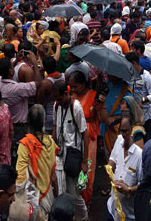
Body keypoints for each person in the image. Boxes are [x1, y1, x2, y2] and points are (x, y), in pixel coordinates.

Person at [52, 79, 89, 220]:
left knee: (74, 193)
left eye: (60, 98)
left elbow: (84, 133)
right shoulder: (56, 106)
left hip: (73, 156)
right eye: (56, 99)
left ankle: (83, 216)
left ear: (66, 93)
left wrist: (84, 161)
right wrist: (53, 147)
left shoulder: (76, 107)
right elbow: (55, 127)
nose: (58, 101)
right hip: (60, 155)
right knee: (60, 190)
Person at [15, 104, 57, 219]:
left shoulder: (25, 144)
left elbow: (20, 179)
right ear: (43, 121)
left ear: (28, 121)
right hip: (48, 197)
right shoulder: (50, 142)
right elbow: (53, 175)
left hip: (33, 201)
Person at [69, 70, 99, 206]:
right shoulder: (71, 96)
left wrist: (99, 105)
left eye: (75, 86)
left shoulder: (94, 96)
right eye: (72, 86)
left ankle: (86, 200)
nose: (73, 89)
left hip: (89, 136)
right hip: (74, 135)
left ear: (83, 84)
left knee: (88, 167)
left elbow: (97, 117)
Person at [106, 115, 143, 221]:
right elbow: (112, 158)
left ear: (132, 129)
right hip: (112, 208)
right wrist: (109, 167)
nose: (124, 135)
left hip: (128, 214)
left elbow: (143, 183)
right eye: (122, 131)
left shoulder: (139, 155)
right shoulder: (119, 140)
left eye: (126, 131)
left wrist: (128, 189)